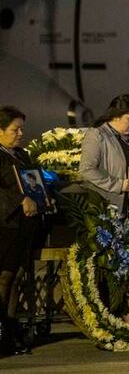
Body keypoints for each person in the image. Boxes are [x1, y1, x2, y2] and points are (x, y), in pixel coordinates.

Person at [0, 106, 42, 355]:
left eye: (21, 128)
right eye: (15, 129)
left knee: (15, 277)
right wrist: (19, 200)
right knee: (4, 278)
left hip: (22, 227)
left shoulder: (22, 155)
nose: (20, 134)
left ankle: (10, 331)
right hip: (4, 226)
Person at [79, 94, 129, 209]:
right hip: (111, 206)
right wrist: (118, 185)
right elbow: (86, 170)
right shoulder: (97, 135)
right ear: (116, 116)